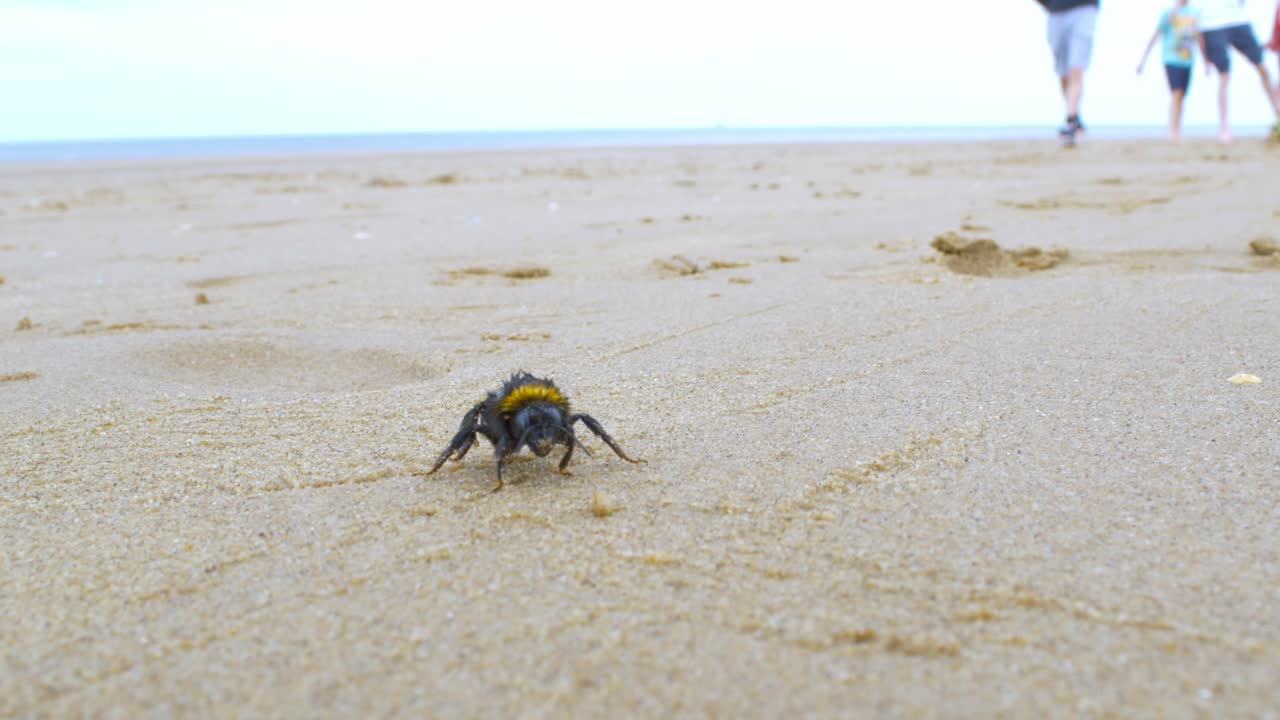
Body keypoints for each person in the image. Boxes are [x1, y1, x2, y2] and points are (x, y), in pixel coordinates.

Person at [1198, 0, 1280, 143]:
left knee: (1262, 67)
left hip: (1238, 19)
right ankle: (1224, 129)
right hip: (1212, 24)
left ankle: (1277, 115)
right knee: (1224, 74)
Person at [1035, 0, 1100, 146]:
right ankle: (1074, 114)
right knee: (1063, 72)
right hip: (1056, 11)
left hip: (1085, 9)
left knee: (1076, 69)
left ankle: (1070, 119)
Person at [1137, 0, 1202, 142]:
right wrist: (1143, 60)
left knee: (1181, 96)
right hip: (1171, 59)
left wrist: (1206, 60)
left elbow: (1199, 36)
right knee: (1176, 93)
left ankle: (1177, 129)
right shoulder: (1168, 13)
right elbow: (1157, 34)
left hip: (1188, 60)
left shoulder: (1195, 12)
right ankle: (1172, 132)